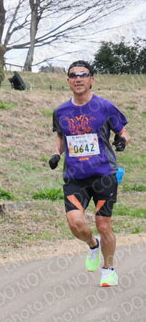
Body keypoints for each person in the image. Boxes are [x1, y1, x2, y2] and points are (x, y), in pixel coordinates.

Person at [49, 60, 131, 287]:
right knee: (75, 223)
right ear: (68, 81)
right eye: (73, 75)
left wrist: (122, 141)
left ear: (91, 80)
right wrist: (56, 154)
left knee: (103, 225)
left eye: (83, 74)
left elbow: (124, 132)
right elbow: (60, 137)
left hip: (104, 174)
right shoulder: (61, 111)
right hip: (75, 176)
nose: (78, 79)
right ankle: (93, 245)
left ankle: (109, 269)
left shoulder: (105, 106)